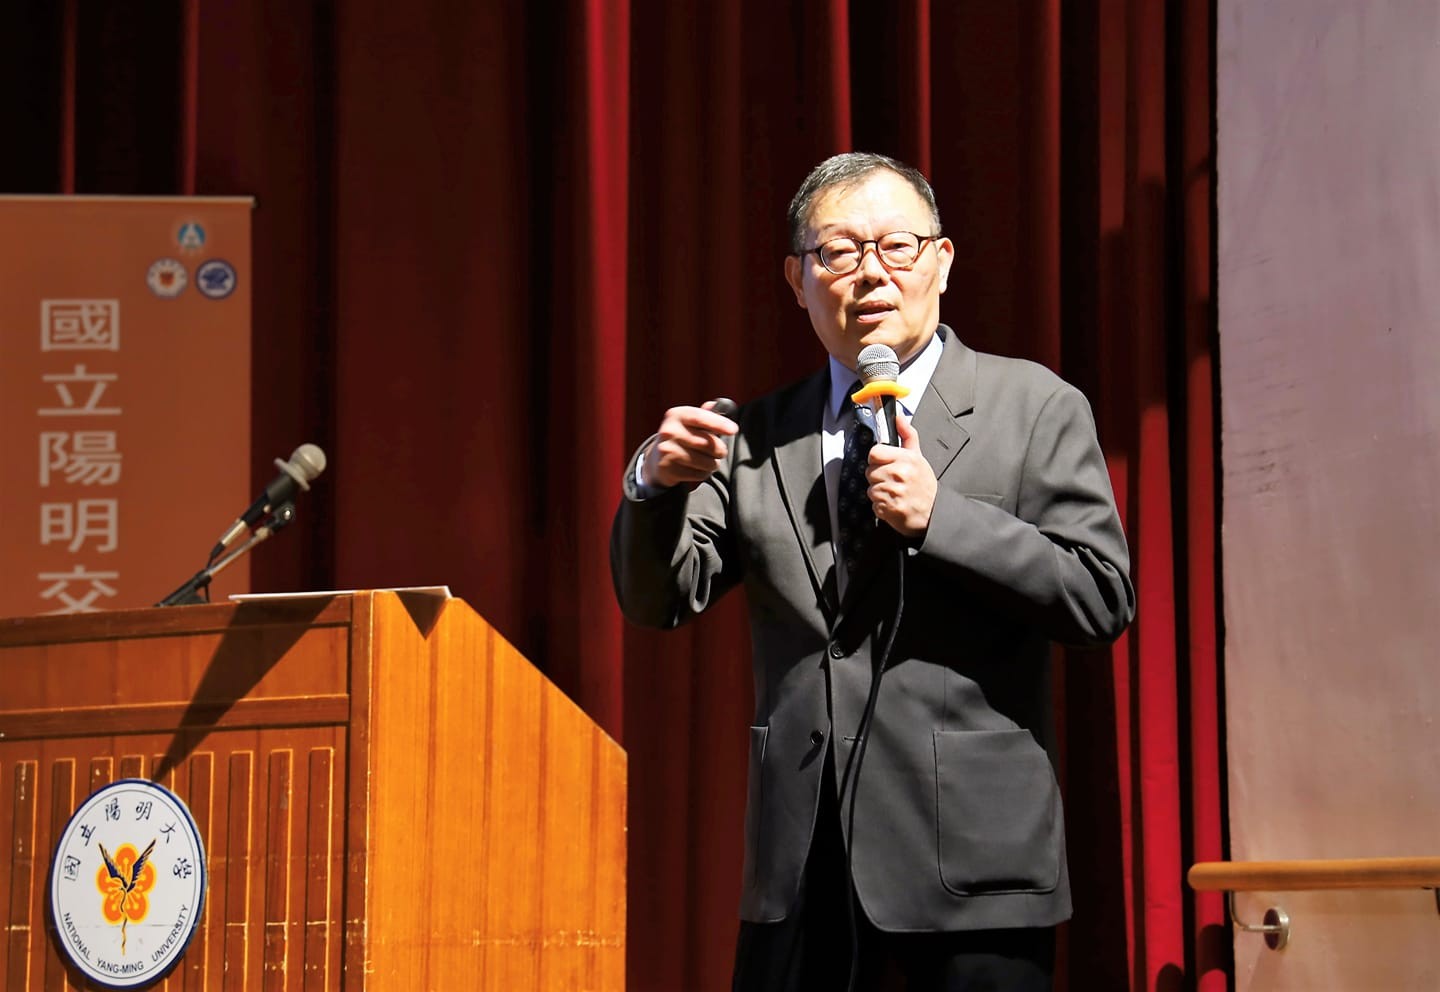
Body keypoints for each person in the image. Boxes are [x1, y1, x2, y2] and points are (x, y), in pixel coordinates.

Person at [611, 152, 1134, 991]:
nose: (872, 275)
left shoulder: (1035, 406)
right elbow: (659, 598)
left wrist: (943, 520)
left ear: (943, 261)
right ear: (797, 278)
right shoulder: (757, 436)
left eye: (898, 246)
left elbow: (1101, 596)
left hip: (973, 880)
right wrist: (653, 486)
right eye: (840, 253)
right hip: (801, 875)